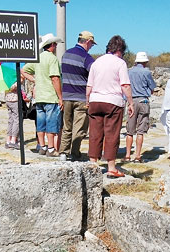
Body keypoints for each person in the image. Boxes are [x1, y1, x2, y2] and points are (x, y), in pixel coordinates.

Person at [86, 35, 134, 178]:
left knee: (95, 133)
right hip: (112, 101)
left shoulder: (96, 62)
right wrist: (131, 102)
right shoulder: (120, 63)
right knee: (111, 134)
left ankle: (93, 165)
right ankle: (111, 167)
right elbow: (125, 85)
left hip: (95, 100)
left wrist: (87, 100)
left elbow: (89, 85)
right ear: (120, 50)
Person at [22, 33, 64, 157]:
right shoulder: (52, 59)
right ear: (51, 45)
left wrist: (35, 80)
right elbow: (55, 78)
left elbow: (23, 70)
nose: (56, 46)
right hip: (50, 95)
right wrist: (60, 97)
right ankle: (51, 148)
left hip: (39, 96)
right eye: (55, 44)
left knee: (40, 122)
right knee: (51, 122)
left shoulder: (38, 58)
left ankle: (42, 146)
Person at [59, 31, 96, 161]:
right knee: (79, 128)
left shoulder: (66, 54)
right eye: (91, 44)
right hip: (81, 97)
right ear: (87, 41)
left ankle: (63, 152)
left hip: (67, 95)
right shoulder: (87, 58)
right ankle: (75, 152)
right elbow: (94, 74)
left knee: (66, 126)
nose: (91, 46)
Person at [125, 51, 156, 163]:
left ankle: (127, 155)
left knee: (129, 130)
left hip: (131, 101)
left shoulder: (129, 72)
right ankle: (137, 156)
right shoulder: (146, 72)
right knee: (140, 131)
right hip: (143, 100)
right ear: (145, 61)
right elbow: (152, 86)